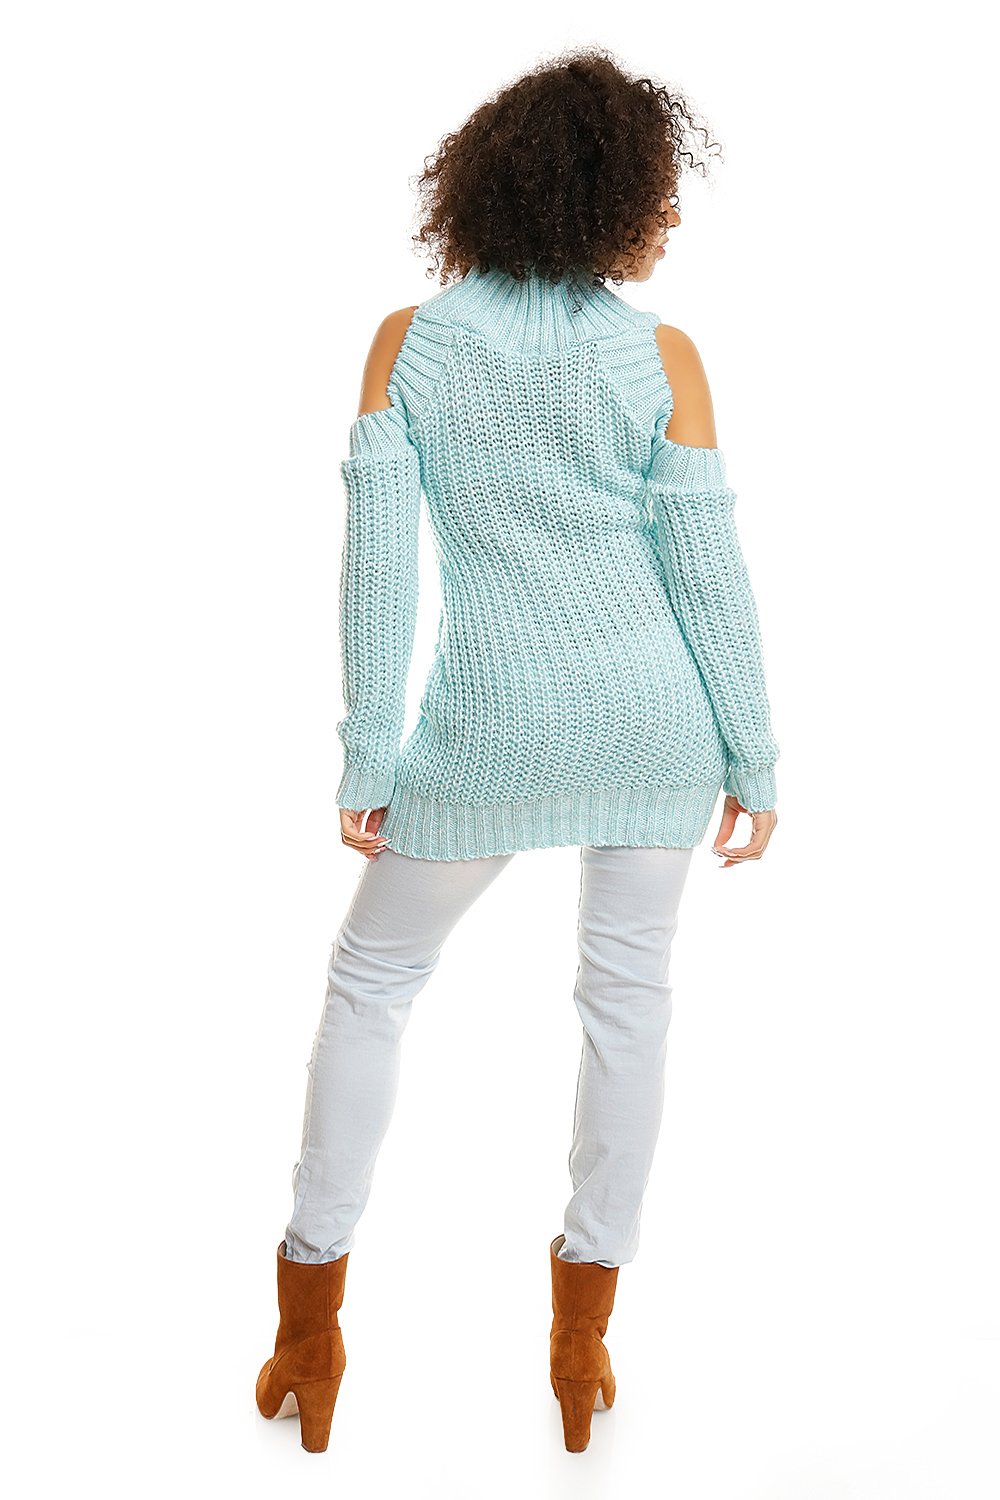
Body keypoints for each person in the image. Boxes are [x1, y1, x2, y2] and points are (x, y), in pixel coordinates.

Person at [256, 45, 779, 1456]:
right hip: (656, 719)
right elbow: (709, 569)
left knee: (373, 984)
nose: (671, 217)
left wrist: (369, 752)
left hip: (489, 724)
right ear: (604, 197)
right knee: (629, 1005)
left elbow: (380, 568)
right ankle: (582, 1340)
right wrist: (753, 752)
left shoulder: (409, 343)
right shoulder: (662, 358)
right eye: (658, 193)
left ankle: (309, 1325)